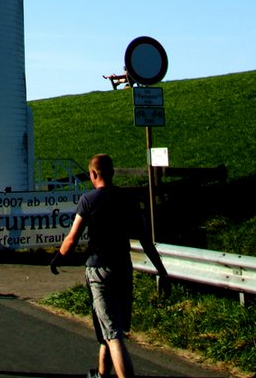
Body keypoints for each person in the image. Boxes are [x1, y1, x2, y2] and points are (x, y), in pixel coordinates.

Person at [49, 153, 171, 378]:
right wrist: (162, 272)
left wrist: (58, 258)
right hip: (123, 268)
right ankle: (101, 374)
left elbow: (72, 237)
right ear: (113, 173)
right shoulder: (128, 201)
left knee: (113, 335)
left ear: (93, 174)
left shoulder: (88, 200)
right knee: (112, 327)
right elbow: (146, 240)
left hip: (98, 269)